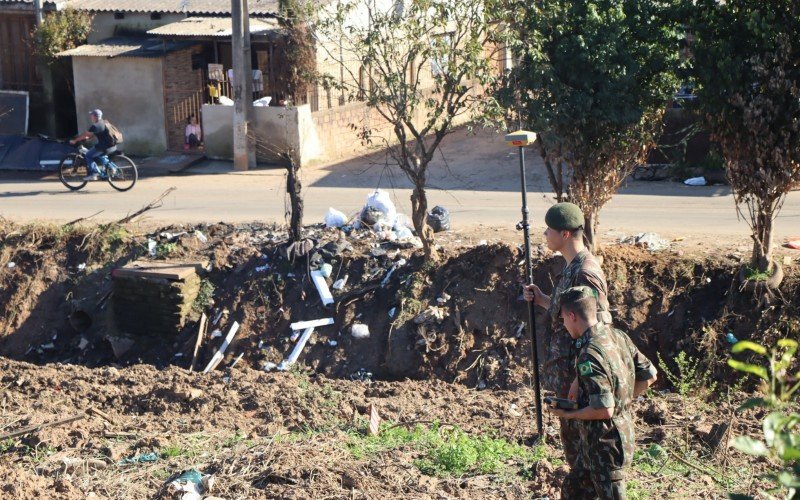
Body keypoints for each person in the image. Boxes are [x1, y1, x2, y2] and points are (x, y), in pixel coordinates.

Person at [522, 202, 612, 483]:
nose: (544, 235)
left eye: (548, 230)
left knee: (584, 455)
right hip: (569, 375)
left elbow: (599, 326)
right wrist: (543, 300)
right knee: (575, 453)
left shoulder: (586, 271)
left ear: (563, 234)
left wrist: (577, 377)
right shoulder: (572, 267)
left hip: (578, 377)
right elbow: (571, 315)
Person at [548, 286, 657, 499]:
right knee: (573, 491)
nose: (564, 325)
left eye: (563, 319)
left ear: (572, 316)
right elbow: (650, 374)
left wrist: (570, 414)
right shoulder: (617, 337)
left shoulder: (589, 353)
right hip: (597, 446)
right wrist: (621, 397)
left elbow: (604, 409)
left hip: (606, 447)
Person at [70, 109, 116, 181]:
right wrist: (88, 139)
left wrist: (75, 140)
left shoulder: (95, 126)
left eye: (91, 115)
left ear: (95, 116)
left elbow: (85, 134)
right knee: (97, 154)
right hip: (112, 146)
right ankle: (112, 168)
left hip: (104, 147)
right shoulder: (104, 122)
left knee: (88, 155)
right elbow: (95, 133)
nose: (91, 117)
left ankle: (93, 173)